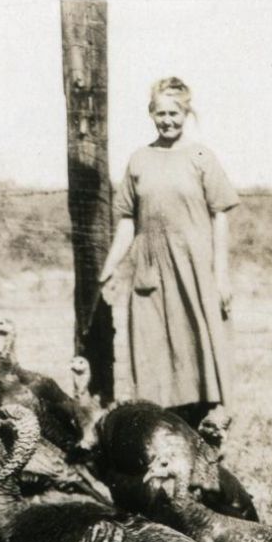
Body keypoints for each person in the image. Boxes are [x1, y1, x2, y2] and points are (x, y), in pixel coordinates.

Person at [97, 76, 238, 427]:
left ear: (186, 112)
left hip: (194, 271)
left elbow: (219, 215)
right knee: (154, 352)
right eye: (161, 113)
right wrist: (110, 268)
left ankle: (204, 431)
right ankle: (162, 430)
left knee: (198, 349)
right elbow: (127, 221)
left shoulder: (202, 157)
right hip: (151, 274)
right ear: (151, 114)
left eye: (174, 113)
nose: (168, 120)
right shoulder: (139, 160)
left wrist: (221, 276)